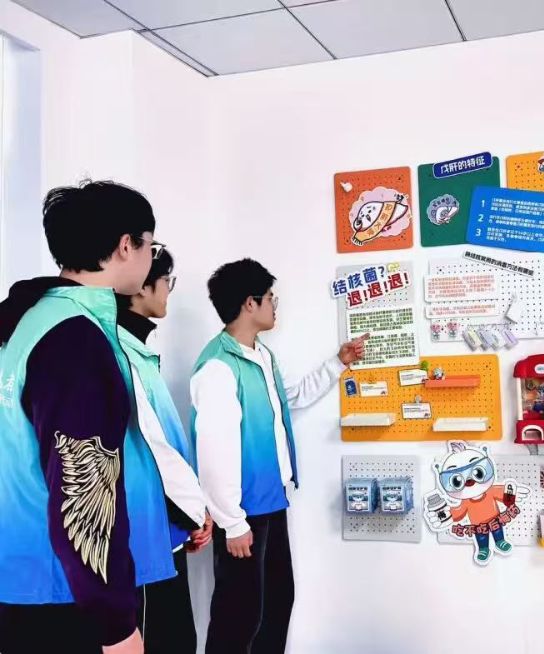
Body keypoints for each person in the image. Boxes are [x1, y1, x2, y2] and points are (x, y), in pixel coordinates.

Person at [0, 181, 175, 654]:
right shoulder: (75, 339)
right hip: (64, 596)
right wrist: (115, 626)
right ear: (126, 246)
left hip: (25, 579)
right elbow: (82, 488)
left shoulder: (27, 320)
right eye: (150, 244)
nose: (150, 256)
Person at [190, 258, 367, 653]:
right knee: (238, 616)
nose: (275, 305)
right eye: (270, 297)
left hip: (271, 502)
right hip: (243, 512)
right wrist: (232, 523)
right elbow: (213, 452)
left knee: (275, 603)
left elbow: (293, 397)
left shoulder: (261, 356)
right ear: (249, 303)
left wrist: (338, 363)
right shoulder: (218, 368)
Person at [116, 249, 212, 654]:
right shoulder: (120, 352)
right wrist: (194, 510)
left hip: (163, 523)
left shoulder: (140, 349)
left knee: (176, 636)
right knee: (162, 639)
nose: (168, 291)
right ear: (141, 285)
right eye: (166, 281)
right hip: (140, 533)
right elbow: (152, 446)